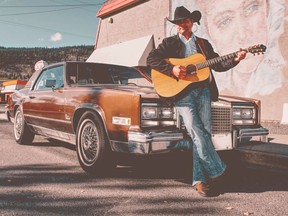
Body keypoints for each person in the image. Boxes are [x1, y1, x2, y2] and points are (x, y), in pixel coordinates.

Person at [147, 6, 246, 197]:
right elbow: (152, 59)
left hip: (203, 92)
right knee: (195, 130)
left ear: (192, 22)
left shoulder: (203, 44)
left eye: (185, 21)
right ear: (175, 25)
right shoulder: (169, 43)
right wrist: (173, 70)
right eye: (178, 22)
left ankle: (199, 180)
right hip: (182, 94)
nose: (182, 25)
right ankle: (218, 170)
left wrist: (235, 59)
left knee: (204, 135)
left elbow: (217, 64)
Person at [192, 0, 287, 120]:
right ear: (208, 32)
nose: (242, 35)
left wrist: (235, 60)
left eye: (251, 9)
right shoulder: (174, 45)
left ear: (267, 9)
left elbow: (218, 65)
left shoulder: (280, 82)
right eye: (225, 21)